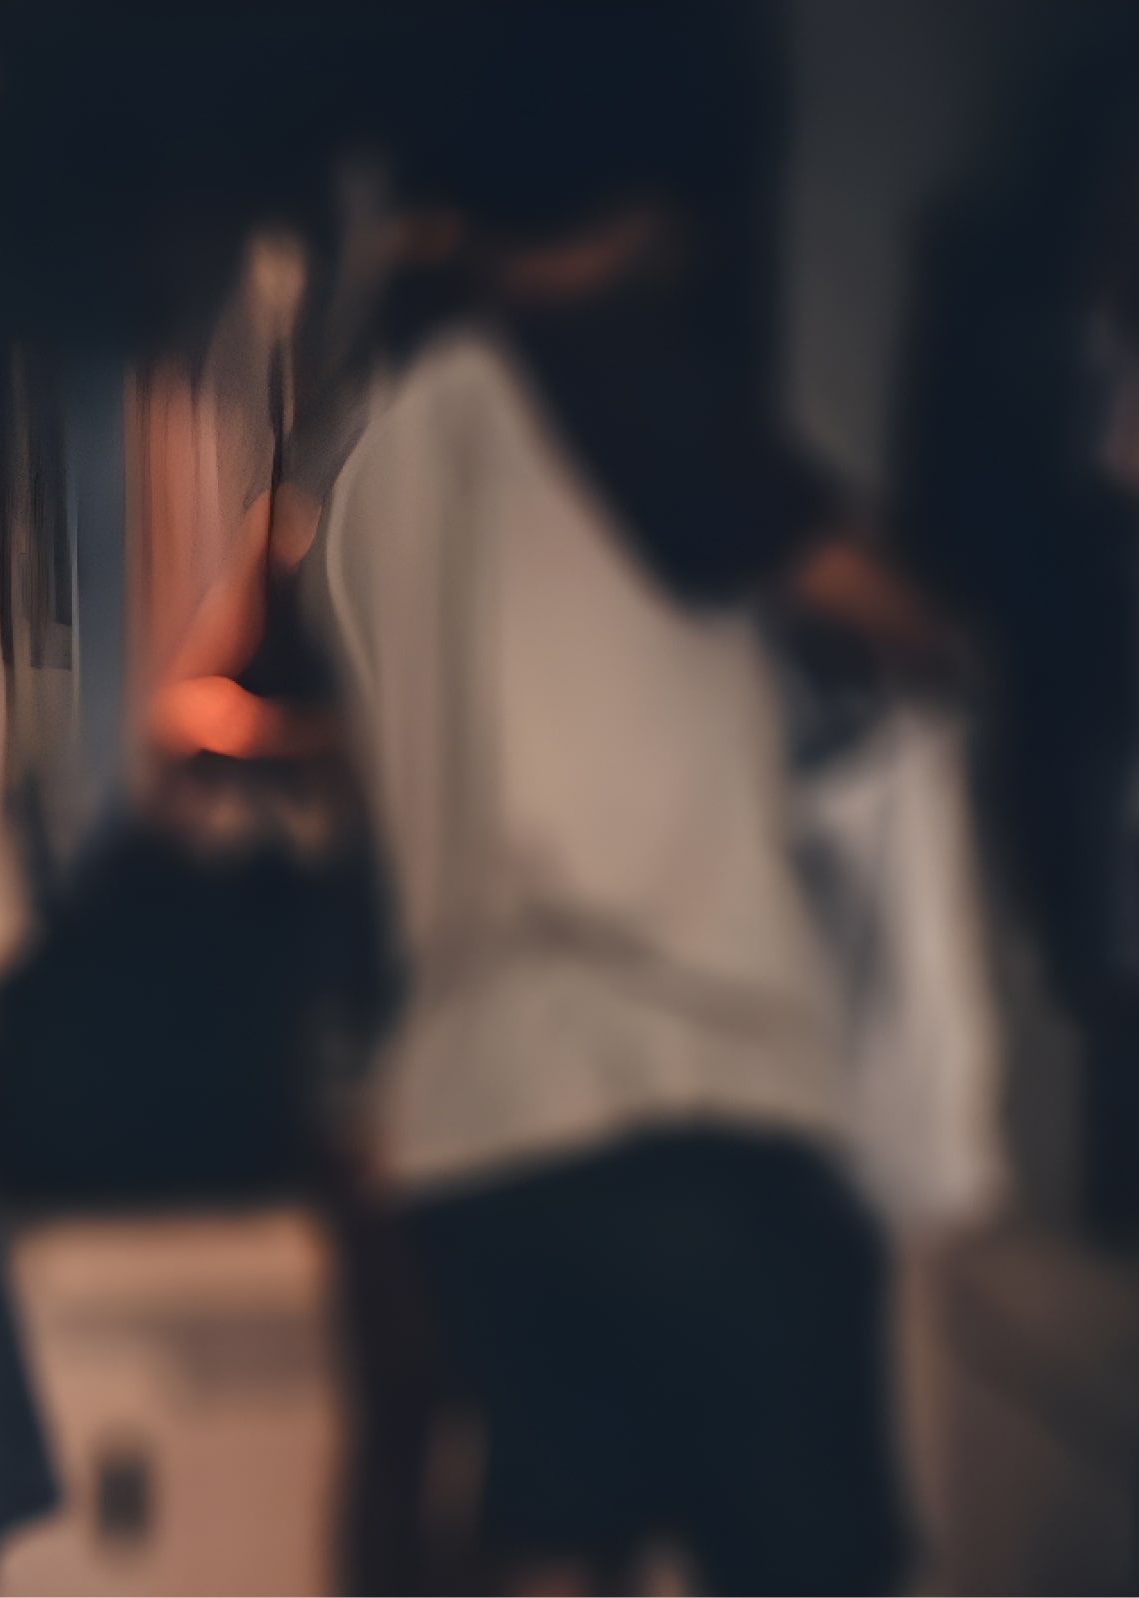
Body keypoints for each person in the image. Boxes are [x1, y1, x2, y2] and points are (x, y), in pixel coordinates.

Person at [309, 8, 931, 1591]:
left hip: (476, 1135)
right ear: (658, 195)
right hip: (682, 1100)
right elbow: (884, 606)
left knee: (556, 1554)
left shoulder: (379, 449)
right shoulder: (628, 381)